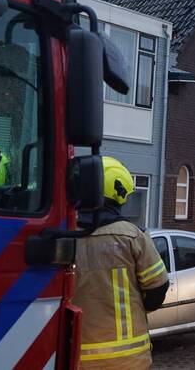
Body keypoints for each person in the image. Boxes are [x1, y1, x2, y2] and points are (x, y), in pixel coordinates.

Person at [73, 157, 169, 368]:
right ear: (118, 193)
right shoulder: (132, 236)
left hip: (75, 357)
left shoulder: (63, 235)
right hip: (129, 358)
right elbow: (158, 288)